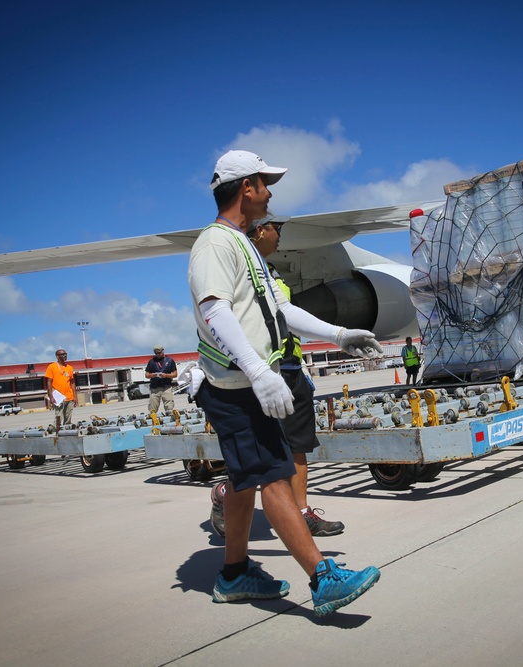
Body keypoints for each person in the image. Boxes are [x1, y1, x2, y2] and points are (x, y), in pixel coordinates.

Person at [189, 149, 381, 616]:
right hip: (236, 389)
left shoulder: (244, 246)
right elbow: (215, 311)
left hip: (248, 384)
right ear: (247, 189)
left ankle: (234, 574)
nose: (271, 192)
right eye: (265, 182)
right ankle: (322, 579)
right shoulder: (215, 244)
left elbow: (281, 310)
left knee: (246, 478)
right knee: (275, 475)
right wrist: (258, 372)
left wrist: (339, 334)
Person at [210, 216, 344, 538]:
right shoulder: (235, 273)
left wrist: (336, 337)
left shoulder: (272, 276)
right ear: (259, 231)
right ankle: (223, 496)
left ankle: (301, 514)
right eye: (276, 229)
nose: (281, 236)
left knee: (298, 448)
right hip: (260, 375)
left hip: (292, 371)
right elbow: (221, 321)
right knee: (260, 458)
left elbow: (286, 318)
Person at [44, 349, 76, 431]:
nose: (65, 356)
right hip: (59, 398)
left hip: (69, 397)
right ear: (57, 356)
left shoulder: (69, 368)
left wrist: (75, 396)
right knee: (59, 416)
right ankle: (56, 431)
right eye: (62, 354)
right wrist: (51, 396)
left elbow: (72, 383)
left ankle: (67, 431)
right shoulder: (51, 367)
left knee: (68, 418)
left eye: (65, 354)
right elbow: (49, 383)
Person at [145, 345, 178, 415]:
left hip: (166, 387)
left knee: (169, 406)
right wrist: (152, 375)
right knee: (153, 407)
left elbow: (175, 374)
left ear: (163, 350)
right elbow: (147, 375)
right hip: (155, 388)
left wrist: (166, 375)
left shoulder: (170, 361)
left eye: (159, 353)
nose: (158, 355)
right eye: (156, 353)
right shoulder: (152, 361)